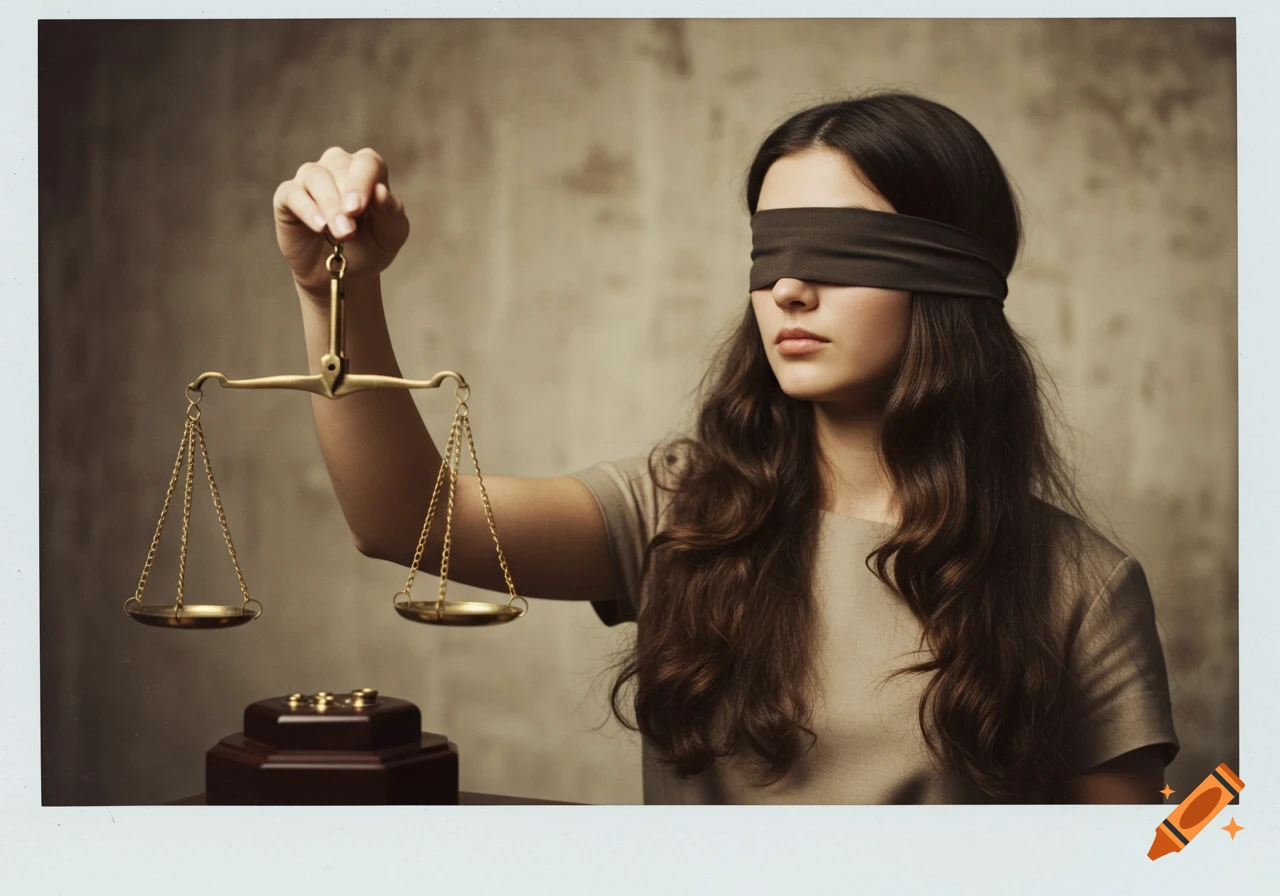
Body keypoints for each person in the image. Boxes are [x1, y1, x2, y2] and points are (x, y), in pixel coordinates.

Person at [272, 90, 1179, 805]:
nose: (787, 285)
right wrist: (334, 293)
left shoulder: (1077, 586)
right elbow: (404, 521)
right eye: (770, 248)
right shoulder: (683, 512)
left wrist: (1237, 822)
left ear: (949, 276)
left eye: (840, 249)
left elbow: (1148, 862)